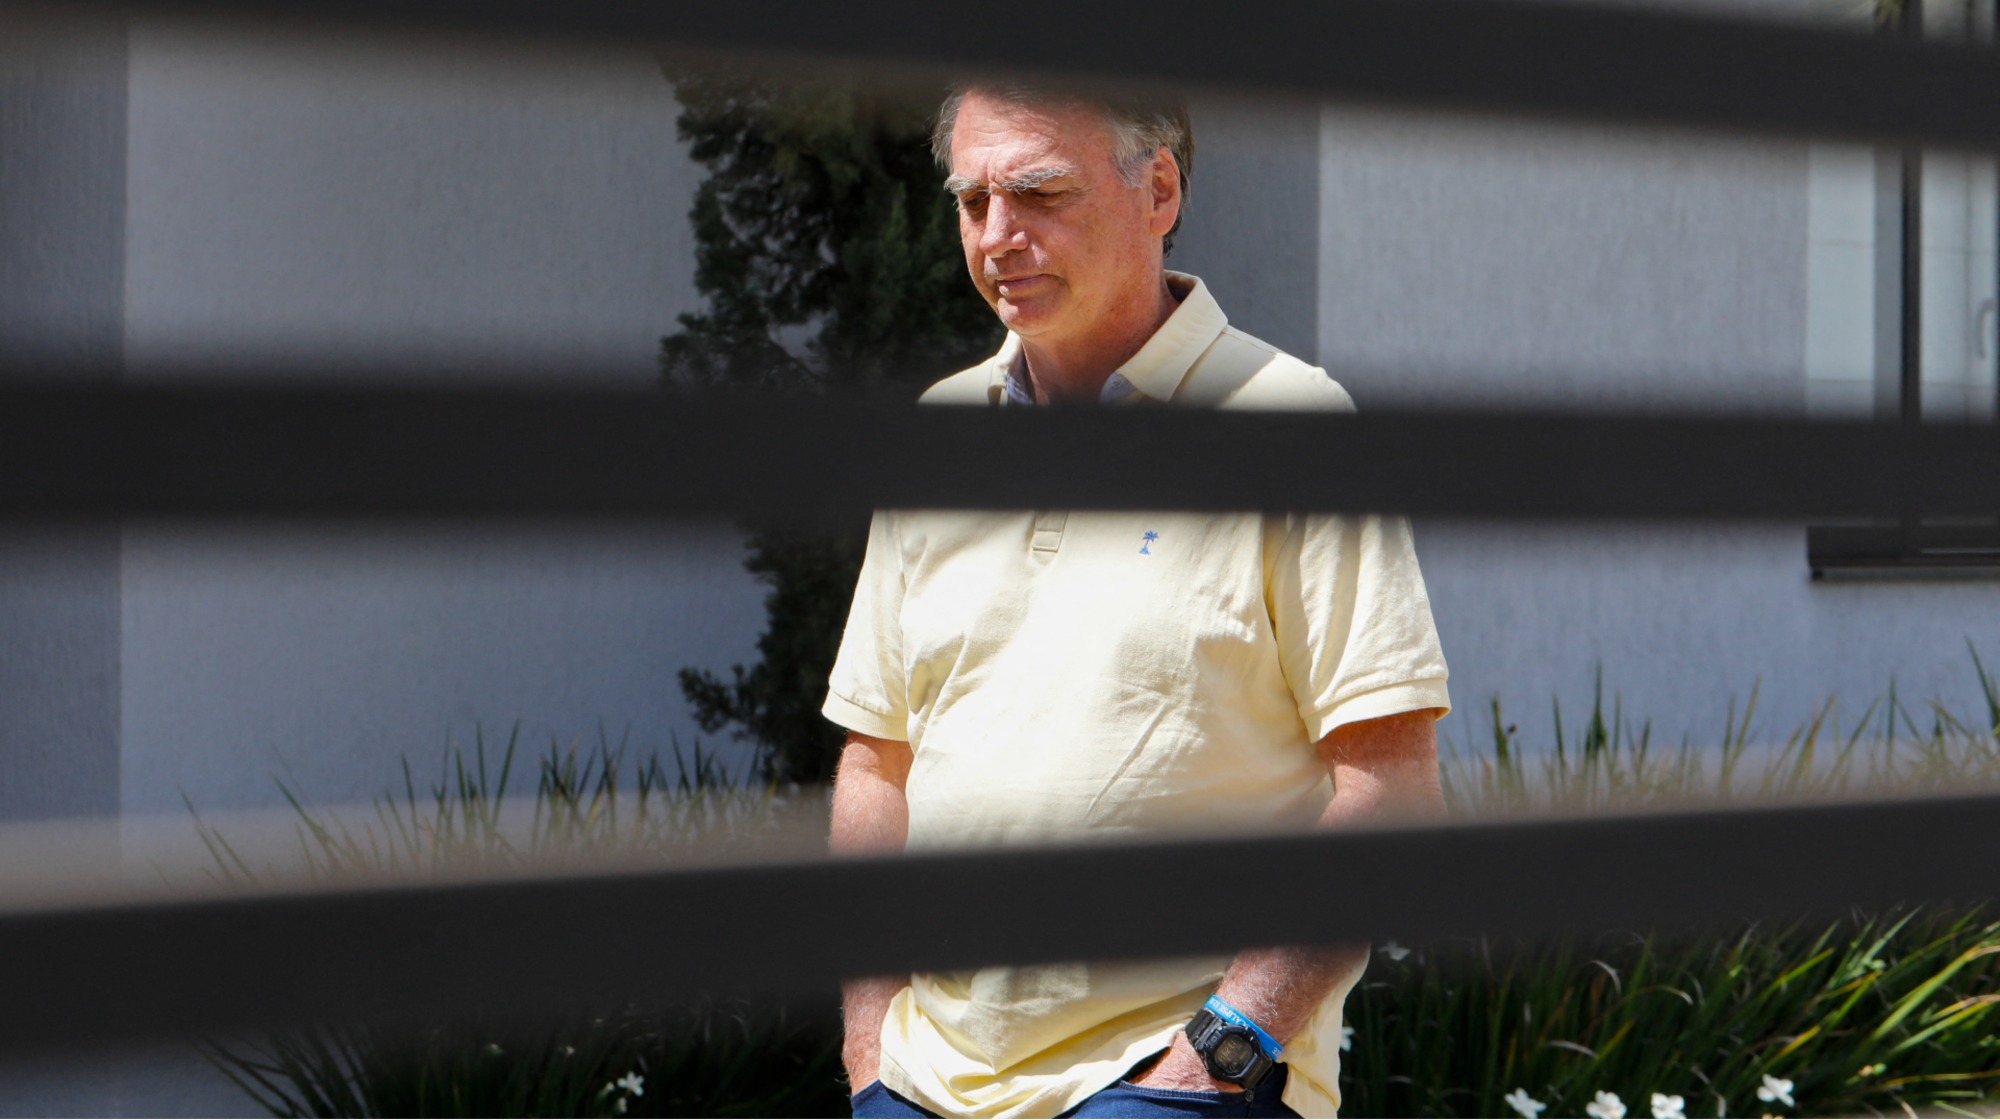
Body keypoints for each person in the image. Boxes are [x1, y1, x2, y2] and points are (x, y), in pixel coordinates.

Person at [824, 81, 1452, 1120]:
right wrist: (867, 1051)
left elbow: (1389, 787)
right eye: (972, 201)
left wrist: (1218, 1055)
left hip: (1165, 1081)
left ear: (1158, 190)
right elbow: (875, 760)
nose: (997, 235)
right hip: (919, 1086)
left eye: (1040, 193)